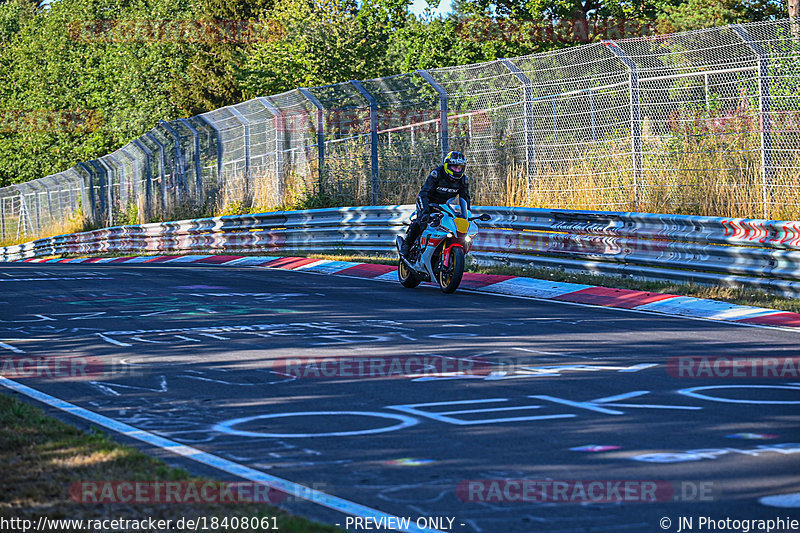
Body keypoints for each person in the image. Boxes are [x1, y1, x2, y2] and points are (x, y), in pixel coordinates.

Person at [400, 151, 471, 257]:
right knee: (421, 221)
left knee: (452, 225)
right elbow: (424, 194)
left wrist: (466, 215)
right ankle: (406, 246)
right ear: (447, 166)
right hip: (427, 202)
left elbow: (465, 197)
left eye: (460, 168)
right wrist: (425, 212)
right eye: (454, 167)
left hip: (444, 206)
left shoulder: (463, 180)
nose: (457, 170)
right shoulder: (436, 174)